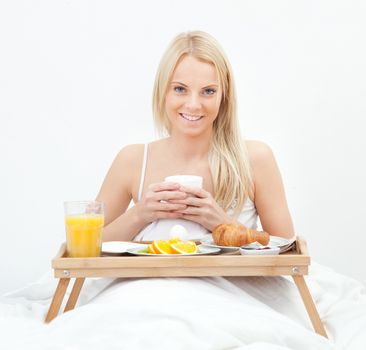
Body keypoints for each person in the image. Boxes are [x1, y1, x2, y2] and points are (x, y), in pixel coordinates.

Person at [96, 30, 295, 242]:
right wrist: (140, 214)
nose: (193, 104)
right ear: (163, 91)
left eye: (208, 91)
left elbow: (287, 250)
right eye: (180, 89)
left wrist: (221, 223)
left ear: (224, 96)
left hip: (231, 277)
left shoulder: (255, 159)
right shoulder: (133, 160)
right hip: (151, 276)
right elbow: (85, 247)